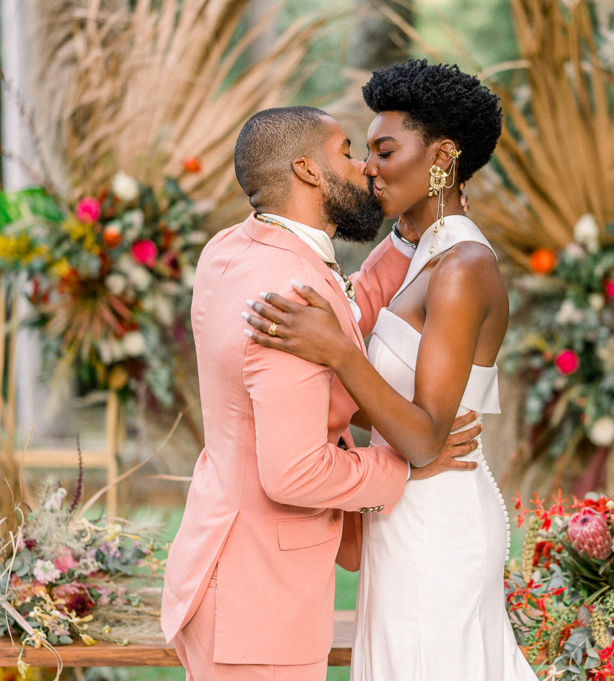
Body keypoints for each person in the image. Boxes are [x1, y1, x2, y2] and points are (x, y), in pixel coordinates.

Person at [161, 105, 480, 681]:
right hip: (258, 602)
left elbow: (344, 304)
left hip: (221, 566)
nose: (365, 168)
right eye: (348, 152)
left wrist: (405, 239)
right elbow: (295, 474)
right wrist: (406, 467)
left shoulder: (234, 248)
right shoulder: (291, 292)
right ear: (308, 171)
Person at [244, 62, 537, 680]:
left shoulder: (461, 268)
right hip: (399, 513)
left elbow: (426, 438)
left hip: (438, 523)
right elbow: (358, 295)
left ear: (442, 157)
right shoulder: (415, 249)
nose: (368, 167)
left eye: (384, 150)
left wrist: (339, 351)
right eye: (365, 151)